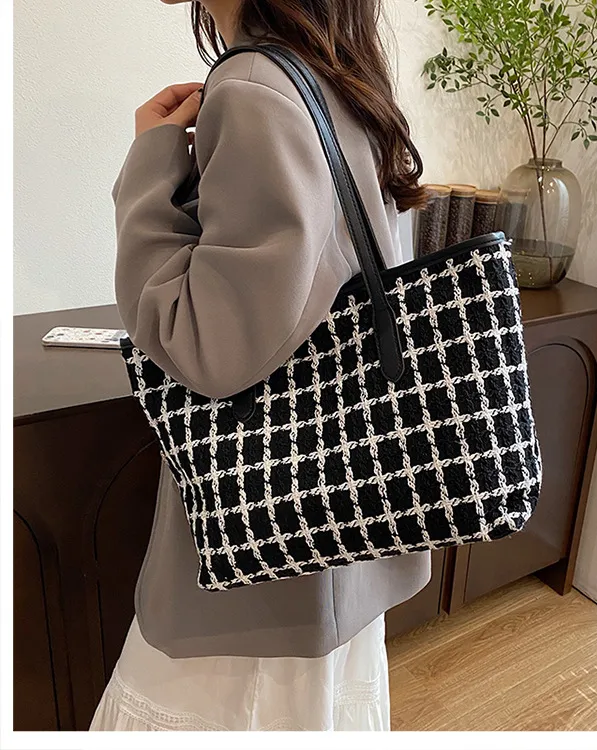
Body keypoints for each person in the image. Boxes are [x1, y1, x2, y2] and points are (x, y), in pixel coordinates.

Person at [90, 0, 431, 732]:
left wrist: (152, 160)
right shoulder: (341, 75)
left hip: (258, 574)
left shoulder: (253, 86)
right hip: (346, 524)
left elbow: (203, 344)